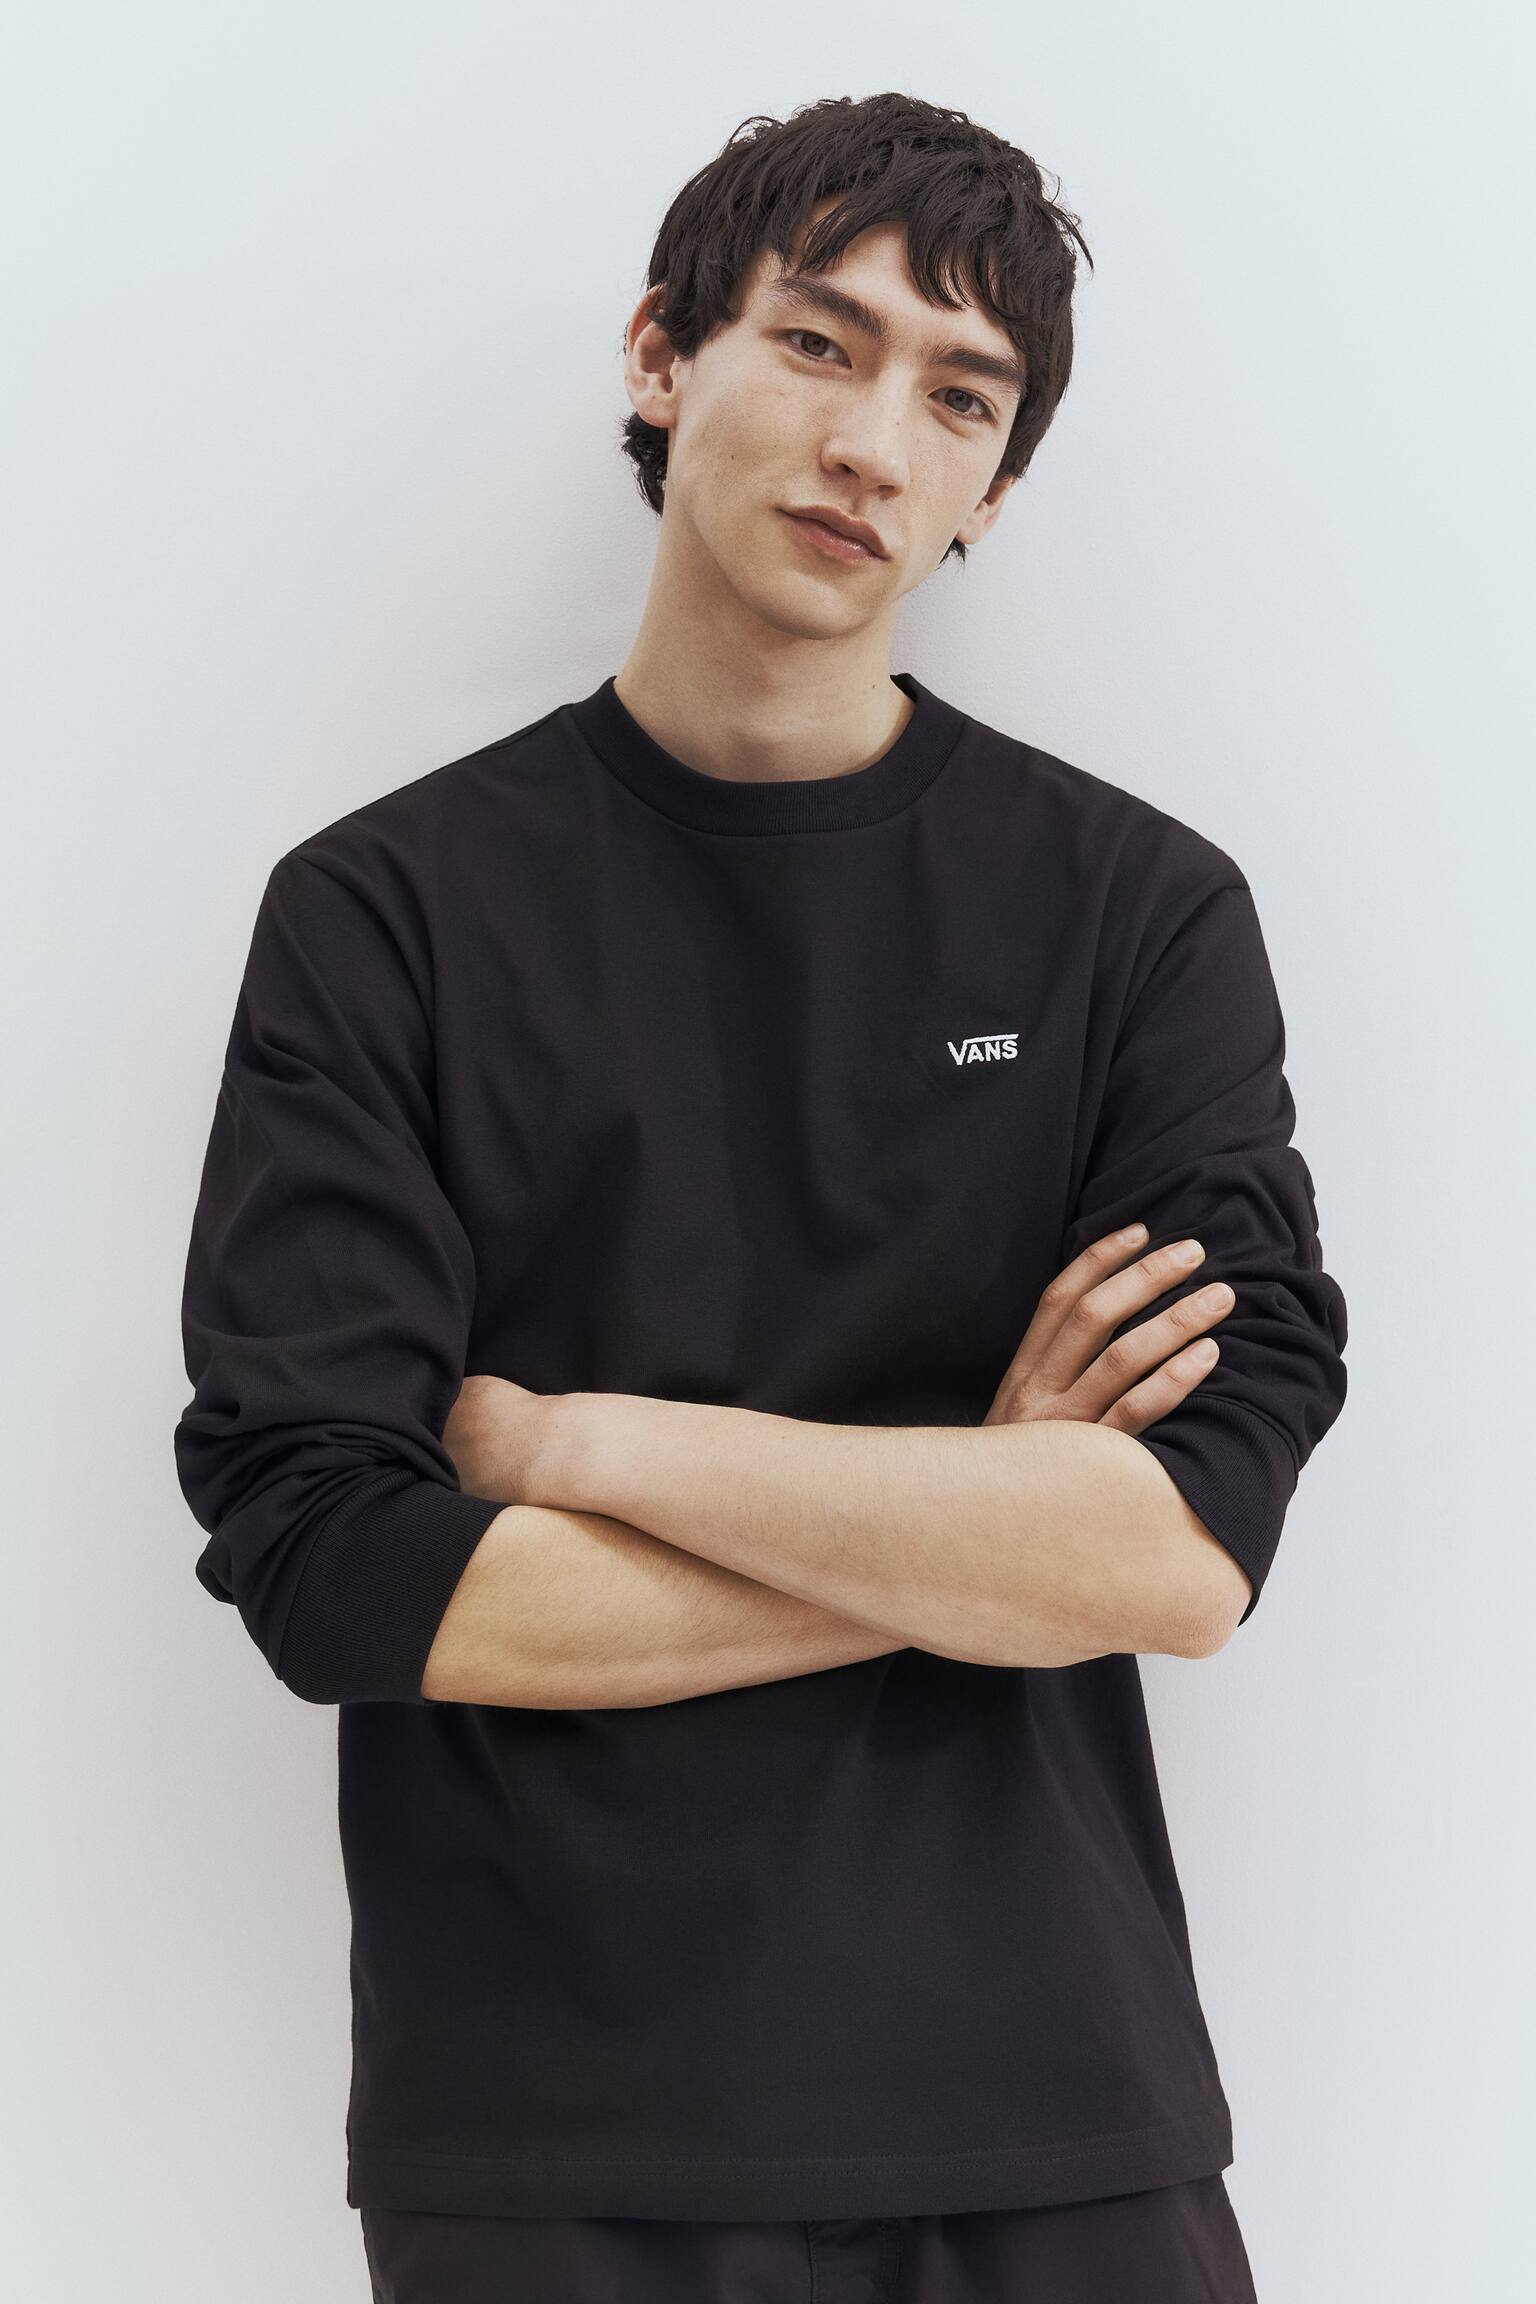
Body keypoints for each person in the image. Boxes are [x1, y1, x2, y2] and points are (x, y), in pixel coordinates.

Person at [173, 91, 1348, 2302]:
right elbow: (339, 1573)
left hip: (1055, 2100)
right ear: (661, 353)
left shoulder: (1138, 915)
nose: (872, 444)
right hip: (551, 2139)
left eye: (959, 397)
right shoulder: (386, 918)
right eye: (818, 342)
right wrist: (982, 1512)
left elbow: (1183, 1556)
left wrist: (584, 1447)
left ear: (999, 486)